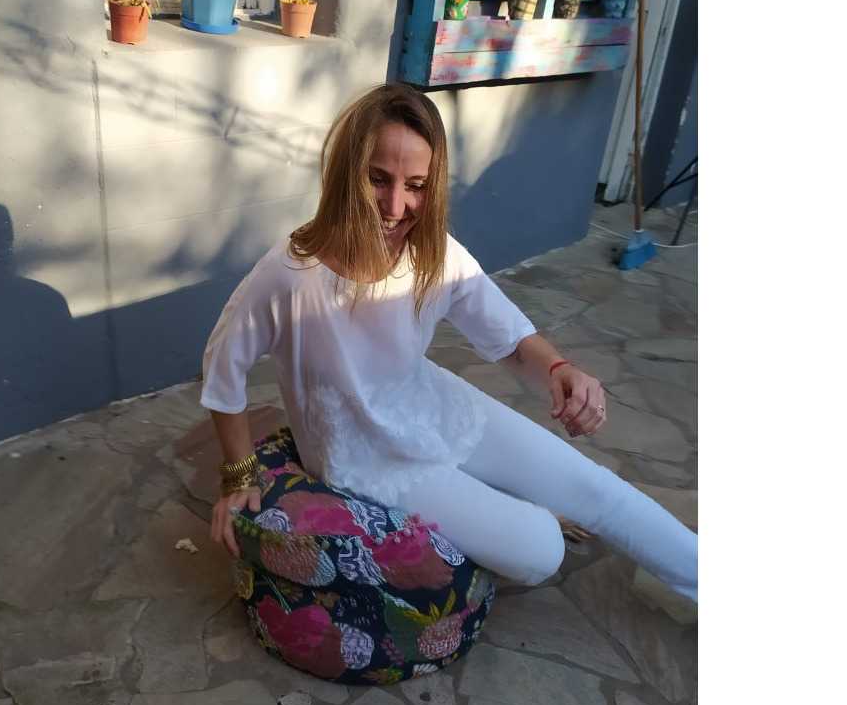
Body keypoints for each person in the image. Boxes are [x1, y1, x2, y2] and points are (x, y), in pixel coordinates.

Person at [200, 83, 697, 604]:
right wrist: (238, 476)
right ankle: (512, 514)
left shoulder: (434, 252)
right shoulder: (289, 273)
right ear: (347, 173)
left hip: (436, 408)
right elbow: (222, 369)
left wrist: (559, 370)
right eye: (377, 179)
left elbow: (508, 337)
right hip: (365, 459)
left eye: (416, 185)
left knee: (594, 487)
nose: (395, 206)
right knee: (542, 549)